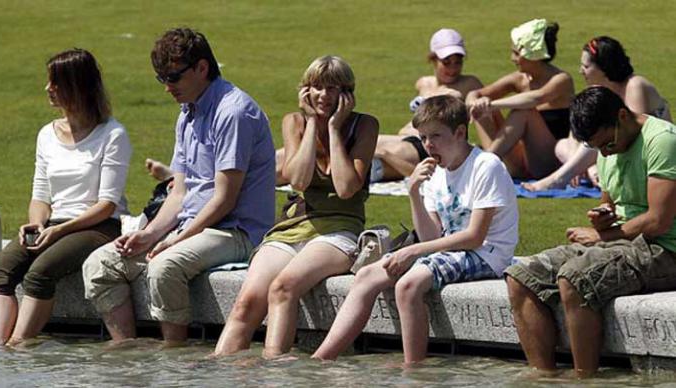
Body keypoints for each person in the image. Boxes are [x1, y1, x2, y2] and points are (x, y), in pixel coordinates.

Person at [82, 28, 276, 346]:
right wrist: (150, 233)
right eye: (162, 79)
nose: (167, 88)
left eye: (173, 77)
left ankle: (174, 361)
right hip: (195, 226)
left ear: (202, 68)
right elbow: (179, 192)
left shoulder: (233, 112)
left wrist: (177, 239)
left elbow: (225, 200)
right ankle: (128, 353)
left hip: (236, 231)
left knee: (163, 268)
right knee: (99, 265)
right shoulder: (187, 113)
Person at [312, 95, 519, 363]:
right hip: (452, 249)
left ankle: (414, 370)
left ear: (459, 132)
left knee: (408, 285)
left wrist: (413, 251)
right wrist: (413, 193)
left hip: (487, 253)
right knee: (366, 277)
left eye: (436, 136)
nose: (428, 145)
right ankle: (322, 358)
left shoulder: (485, 166)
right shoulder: (434, 172)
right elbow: (432, 235)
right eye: (422, 138)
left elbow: (474, 237)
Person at [213, 56, 379, 359]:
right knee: (246, 302)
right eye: (317, 87)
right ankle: (218, 370)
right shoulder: (295, 122)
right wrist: (313, 123)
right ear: (306, 90)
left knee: (283, 287)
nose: (324, 96)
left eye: (333, 88)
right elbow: (298, 181)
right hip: (293, 226)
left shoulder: (365, 125)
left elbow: (345, 188)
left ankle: (276, 370)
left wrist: (333, 129)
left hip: (339, 228)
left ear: (347, 93)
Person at [505, 86, 676, 377]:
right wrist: (603, 218)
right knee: (521, 276)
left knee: (574, 278)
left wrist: (601, 236)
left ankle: (585, 379)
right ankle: (543, 377)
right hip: (622, 242)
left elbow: (658, 221)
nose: (605, 152)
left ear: (622, 115)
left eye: (607, 144)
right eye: (597, 148)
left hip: (664, 249)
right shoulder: (606, 146)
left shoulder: (661, 141)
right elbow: (611, 205)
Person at [0, 49, 131, 347]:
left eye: (56, 83)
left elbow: (107, 204)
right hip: (54, 224)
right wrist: (37, 223)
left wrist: (60, 230)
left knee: (40, 273)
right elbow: (41, 194)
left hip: (98, 226)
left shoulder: (112, 134)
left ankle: (19, 344)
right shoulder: (47, 134)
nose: (47, 89)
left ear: (78, 86)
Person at [524, 36, 672, 191]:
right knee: (562, 146)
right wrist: (588, 166)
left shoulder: (635, 86)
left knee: (599, 136)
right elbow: (575, 133)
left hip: (649, 156)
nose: (581, 71)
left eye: (586, 66)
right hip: (611, 150)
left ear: (603, 68)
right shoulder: (598, 91)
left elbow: (631, 137)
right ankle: (589, 172)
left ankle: (559, 178)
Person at [370, 28, 502, 182]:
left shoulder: (469, 83)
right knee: (370, 139)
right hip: (409, 138)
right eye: (446, 63)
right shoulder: (424, 83)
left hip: (429, 145)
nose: (453, 69)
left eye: (457, 62)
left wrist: (430, 99)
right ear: (433, 59)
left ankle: (363, 172)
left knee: (381, 154)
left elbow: (461, 101)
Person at [466, 19, 575, 179]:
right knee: (482, 110)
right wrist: (476, 102)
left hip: (551, 162)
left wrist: (492, 105)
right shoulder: (519, 79)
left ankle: (483, 164)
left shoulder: (561, 80)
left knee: (524, 112)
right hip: (522, 161)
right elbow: (475, 94)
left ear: (534, 55)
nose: (512, 58)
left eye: (517, 53)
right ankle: (492, 166)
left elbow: (537, 98)